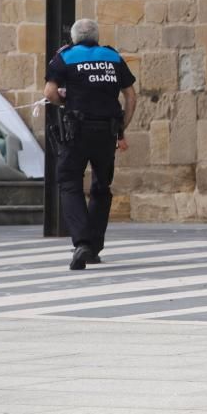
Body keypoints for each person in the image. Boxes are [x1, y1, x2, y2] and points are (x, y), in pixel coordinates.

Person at [44, 18, 137, 270]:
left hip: (77, 131)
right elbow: (130, 95)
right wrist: (121, 128)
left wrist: (67, 101)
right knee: (101, 187)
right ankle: (94, 248)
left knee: (69, 183)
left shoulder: (65, 57)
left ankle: (82, 242)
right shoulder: (113, 57)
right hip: (106, 132)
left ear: (74, 38)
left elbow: (50, 93)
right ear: (96, 36)